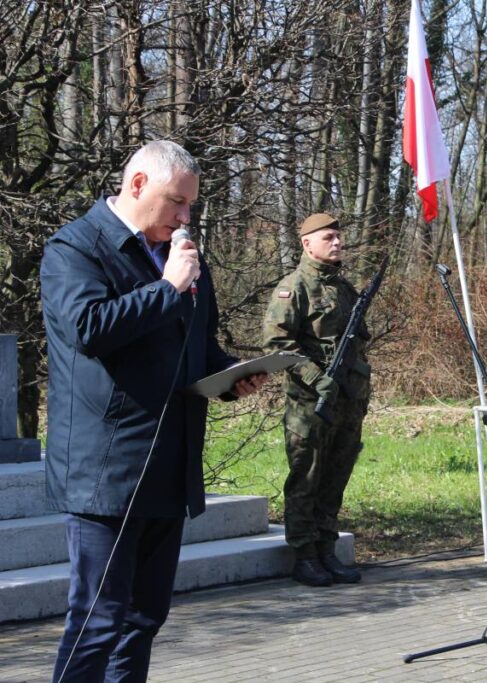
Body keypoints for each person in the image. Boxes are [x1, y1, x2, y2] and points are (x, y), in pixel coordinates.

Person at [40, 140, 266, 682]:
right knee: (99, 619)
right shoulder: (75, 248)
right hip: (107, 472)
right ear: (137, 185)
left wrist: (233, 377)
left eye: (191, 206)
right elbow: (89, 329)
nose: (186, 217)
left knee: (144, 618)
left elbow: (196, 349)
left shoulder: (184, 258)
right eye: (176, 203)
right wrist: (167, 288)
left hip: (169, 464)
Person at [263, 213, 370, 587]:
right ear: (307, 243)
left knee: (335, 478)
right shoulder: (293, 288)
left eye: (339, 237)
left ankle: (327, 550)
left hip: (347, 400)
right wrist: (315, 378)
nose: (338, 243)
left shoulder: (344, 289)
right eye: (329, 237)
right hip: (309, 404)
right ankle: (305, 556)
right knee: (306, 478)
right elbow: (278, 345)